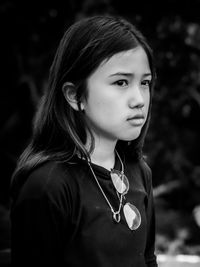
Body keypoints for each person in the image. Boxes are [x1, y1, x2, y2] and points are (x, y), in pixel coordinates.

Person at [10, 14, 158, 266]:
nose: (139, 99)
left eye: (144, 82)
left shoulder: (138, 171)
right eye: (121, 82)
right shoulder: (49, 186)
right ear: (74, 95)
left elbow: (147, 260)